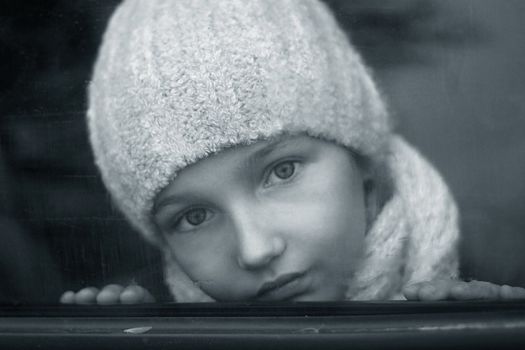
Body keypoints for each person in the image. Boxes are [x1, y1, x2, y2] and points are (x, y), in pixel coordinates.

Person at [61, 0, 525, 305]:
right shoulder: (158, 327)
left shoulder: (485, 284)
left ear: (362, 171)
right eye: (193, 217)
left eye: (282, 171)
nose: (256, 249)